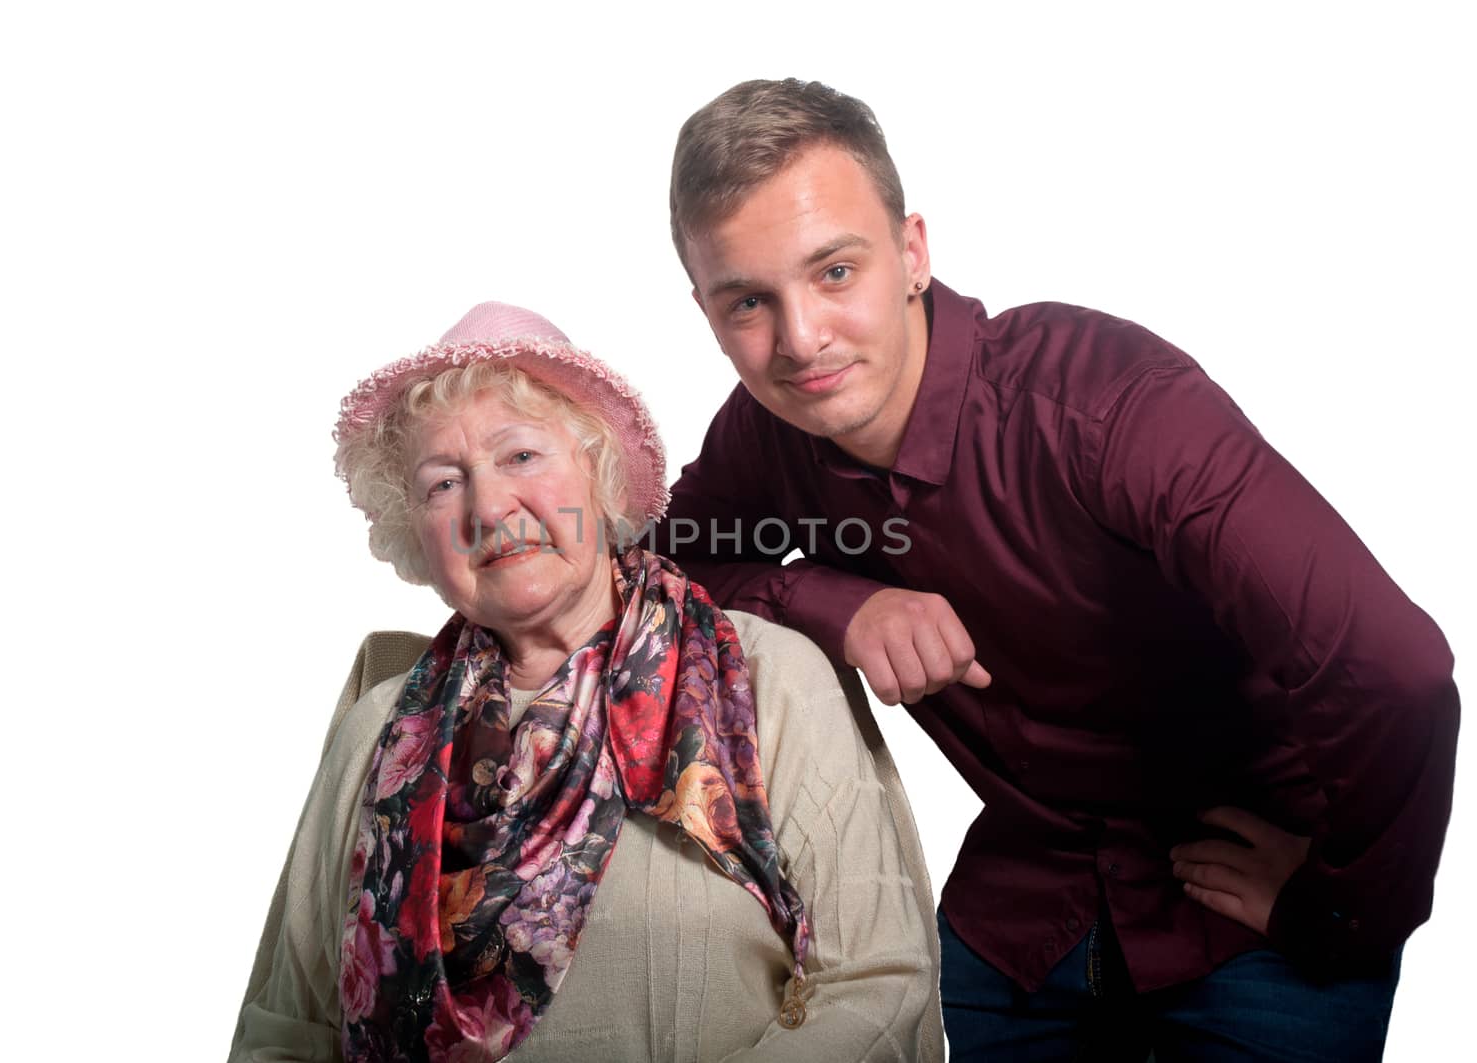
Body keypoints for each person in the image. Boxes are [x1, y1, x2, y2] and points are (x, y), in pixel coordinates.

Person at [659, 79, 1459, 1061]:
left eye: (833, 271)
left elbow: (1392, 668)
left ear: (911, 252)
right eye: (748, 301)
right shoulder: (767, 433)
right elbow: (657, 581)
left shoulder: (1108, 408)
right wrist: (833, 602)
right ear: (703, 307)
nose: (800, 339)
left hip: (1248, 922)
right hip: (1024, 916)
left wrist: (1339, 909)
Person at [227, 302, 945, 1062]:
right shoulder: (378, 727)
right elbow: (285, 1029)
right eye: (443, 483)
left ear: (600, 476)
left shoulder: (765, 681)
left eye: (522, 456)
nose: (489, 506)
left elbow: (877, 981)